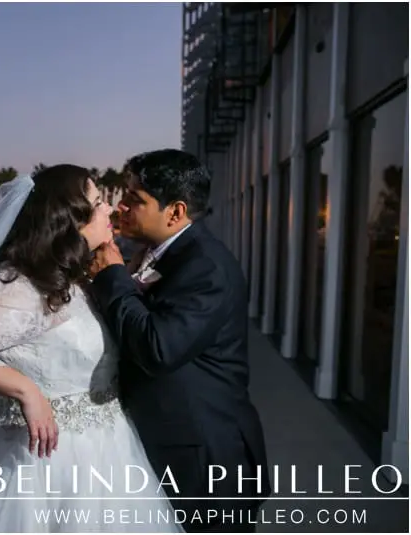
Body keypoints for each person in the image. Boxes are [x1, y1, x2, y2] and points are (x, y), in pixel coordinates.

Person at [0, 165, 184, 533]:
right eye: (98, 203)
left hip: (108, 449)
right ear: (70, 219)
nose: (110, 210)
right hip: (48, 461)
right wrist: (24, 390)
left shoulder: (78, 275)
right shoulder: (21, 284)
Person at [88, 149, 271, 532]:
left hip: (205, 462)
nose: (121, 206)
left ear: (175, 212)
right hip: (171, 443)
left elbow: (159, 348)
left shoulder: (206, 266)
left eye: (136, 200)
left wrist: (113, 278)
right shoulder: (160, 253)